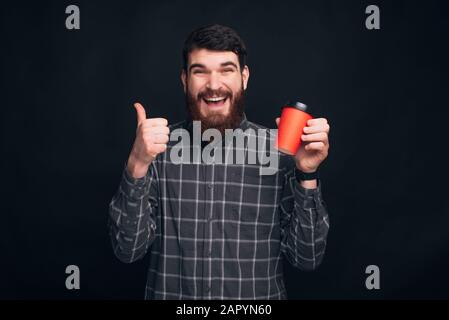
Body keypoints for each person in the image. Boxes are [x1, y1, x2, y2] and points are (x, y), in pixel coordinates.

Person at [109, 24, 330, 299]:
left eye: (226, 70)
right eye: (200, 71)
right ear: (184, 80)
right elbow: (127, 251)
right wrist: (137, 165)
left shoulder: (282, 152)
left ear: (244, 77)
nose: (213, 85)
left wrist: (306, 174)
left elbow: (306, 257)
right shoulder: (155, 149)